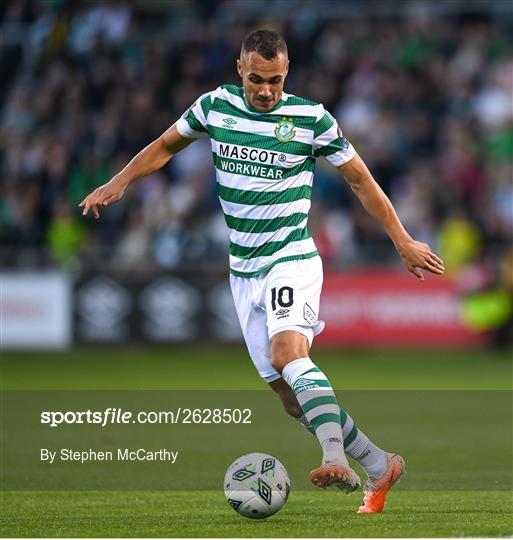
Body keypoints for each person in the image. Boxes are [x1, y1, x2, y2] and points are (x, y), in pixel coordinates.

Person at [80, 29, 445, 513]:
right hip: (243, 270)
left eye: (274, 81)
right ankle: (380, 464)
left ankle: (334, 457)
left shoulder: (311, 118)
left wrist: (402, 240)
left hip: (290, 256)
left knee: (287, 353)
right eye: (256, 80)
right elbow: (165, 145)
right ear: (240, 70)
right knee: (290, 397)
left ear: (286, 72)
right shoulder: (214, 108)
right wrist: (119, 181)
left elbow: (360, 179)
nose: (266, 91)